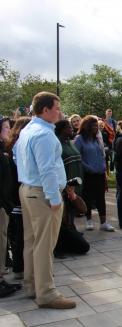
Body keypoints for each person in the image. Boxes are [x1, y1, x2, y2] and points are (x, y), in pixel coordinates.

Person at [14, 92, 75, 309]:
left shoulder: (28, 130)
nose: (60, 111)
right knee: (44, 245)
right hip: (42, 193)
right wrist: (54, 197)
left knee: (32, 242)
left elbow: (16, 156)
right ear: (46, 109)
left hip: (28, 189)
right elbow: (47, 168)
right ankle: (46, 293)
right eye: (57, 107)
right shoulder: (44, 135)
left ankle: (32, 286)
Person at [53, 119, 90, 256]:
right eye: (68, 127)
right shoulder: (57, 143)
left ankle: (70, 233)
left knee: (72, 213)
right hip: (63, 185)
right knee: (61, 217)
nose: (72, 129)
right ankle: (58, 246)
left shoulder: (69, 142)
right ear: (61, 129)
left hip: (74, 184)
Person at [74, 116, 114, 232]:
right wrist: (88, 167)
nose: (96, 128)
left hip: (100, 173)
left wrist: (103, 167)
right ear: (87, 126)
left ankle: (103, 222)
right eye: (93, 126)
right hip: (88, 174)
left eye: (97, 126)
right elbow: (77, 157)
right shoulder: (79, 139)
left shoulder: (96, 139)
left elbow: (101, 154)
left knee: (100, 197)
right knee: (87, 197)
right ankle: (89, 220)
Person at [6, 117, 30, 282]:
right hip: (15, 195)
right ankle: (19, 267)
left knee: (22, 233)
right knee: (19, 233)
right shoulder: (16, 147)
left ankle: (22, 266)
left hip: (19, 194)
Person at [0, 118, 22, 297]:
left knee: (3, 239)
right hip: (2, 203)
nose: (9, 130)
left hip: (5, 204)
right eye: (6, 127)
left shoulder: (3, 151)